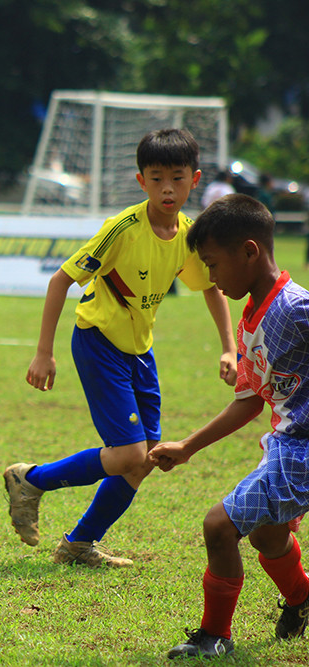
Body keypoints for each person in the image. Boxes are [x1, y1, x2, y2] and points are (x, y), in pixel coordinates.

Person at [5, 128, 238, 568]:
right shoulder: (123, 229)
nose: (167, 188)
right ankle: (30, 480)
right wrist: (43, 352)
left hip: (139, 351)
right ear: (140, 181)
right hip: (98, 341)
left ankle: (79, 543)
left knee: (143, 458)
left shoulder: (189, 234)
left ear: (195, 179)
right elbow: (61, 280)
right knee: (130, 453)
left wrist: (229, 348)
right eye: (156, 179)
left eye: (177, 177)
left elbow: (210, 287)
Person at [149, 194, 309, 659]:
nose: (213, 279)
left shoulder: (295, 308)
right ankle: (302, 598)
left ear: (249, 251)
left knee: (219, 526)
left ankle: (213, 636)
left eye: (213, 265)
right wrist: (187, 447)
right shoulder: (250, 318)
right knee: (266, 533)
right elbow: (248, 403)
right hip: (284, 443)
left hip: (303, 448)